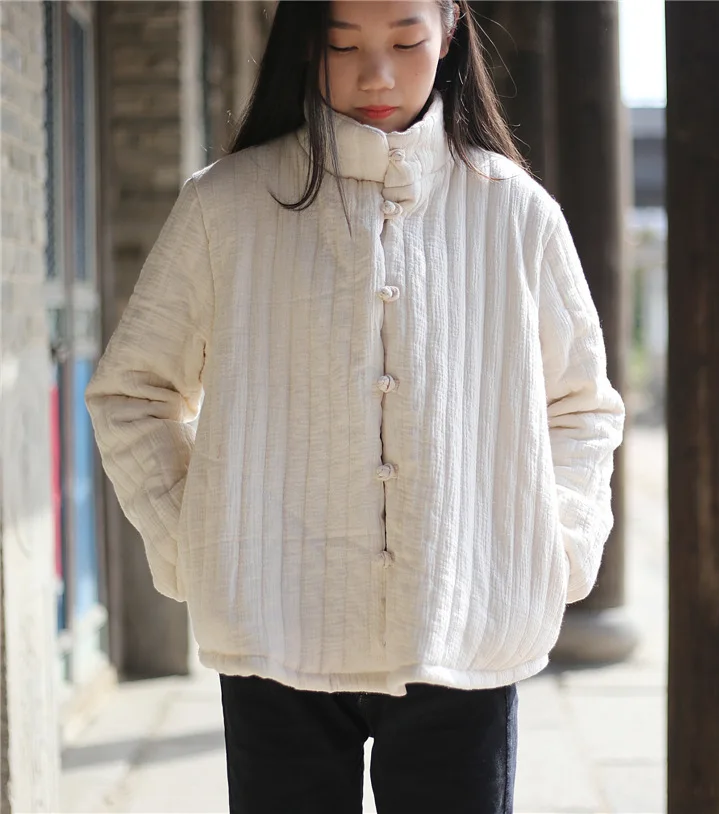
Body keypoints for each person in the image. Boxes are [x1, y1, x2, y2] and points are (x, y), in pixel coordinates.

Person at [86, 2, 625, 812]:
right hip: (274, 630)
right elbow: (133, 393)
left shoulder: (517, 213)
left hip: (464, 625)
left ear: (449, 33)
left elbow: (581, 406)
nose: (377, 75)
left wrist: (558, 549)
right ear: (308, 44)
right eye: (344, 45)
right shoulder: (224, 206)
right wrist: (197, 545)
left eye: (405, 41)